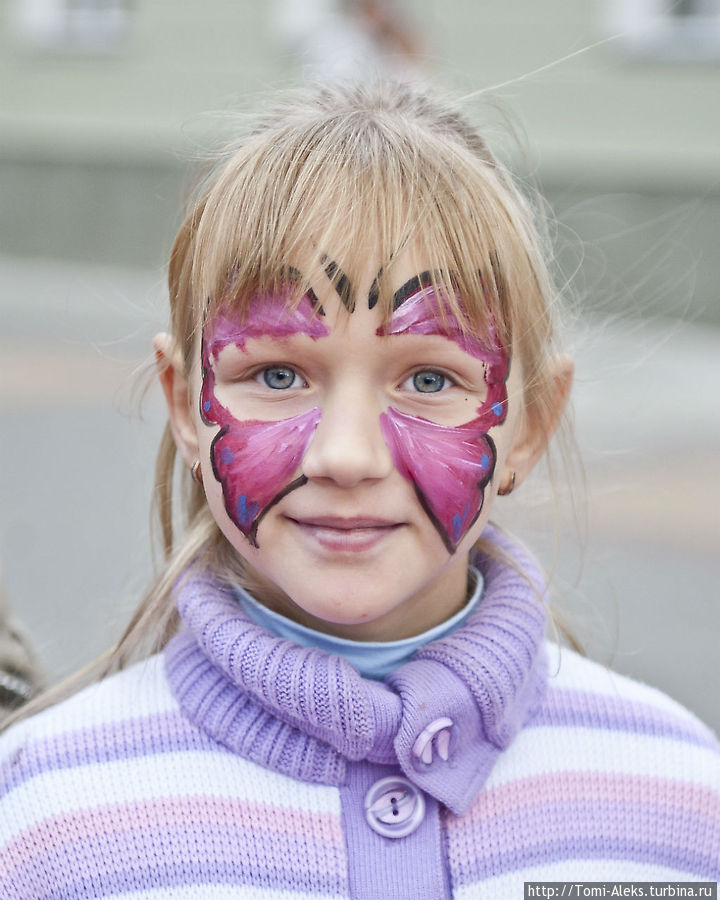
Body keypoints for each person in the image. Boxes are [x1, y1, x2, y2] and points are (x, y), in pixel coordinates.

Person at [0, 82, 717, 898]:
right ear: (183, 404)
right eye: (276, 374)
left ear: (530, 426)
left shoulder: (679, 810)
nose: (346, 455)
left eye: (427, 377)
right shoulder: (48, 822)